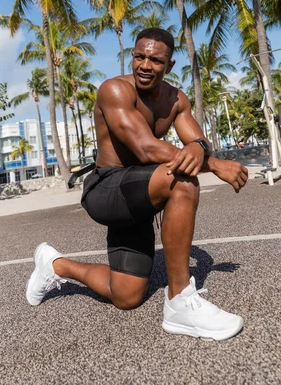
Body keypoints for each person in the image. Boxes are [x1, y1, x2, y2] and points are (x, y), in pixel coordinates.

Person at [26, 28, 248, 340]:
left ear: (169, 66)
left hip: (138, 195)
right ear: (132, 56)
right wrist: (215, 164)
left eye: (155, 60)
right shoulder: (115, 90)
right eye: (139, 56)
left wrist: (200, 147)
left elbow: (197, 138)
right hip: (106, 189)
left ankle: (55, 265)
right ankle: (180, 301)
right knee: (183, 181)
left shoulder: (176, 100)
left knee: (126, 296)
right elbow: (146, 148)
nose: (145, 65)